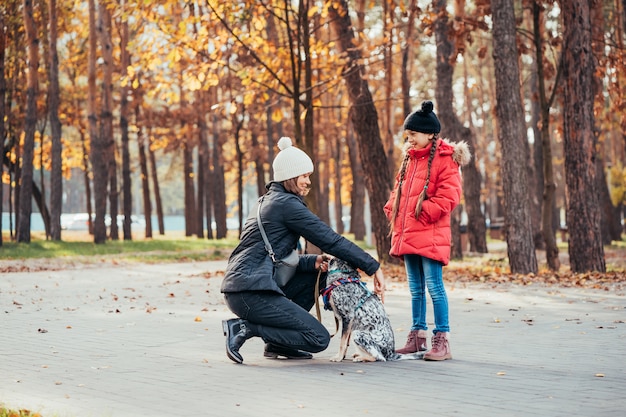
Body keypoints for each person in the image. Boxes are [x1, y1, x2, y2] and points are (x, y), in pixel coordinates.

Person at [221, 136, 386, 364]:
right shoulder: (286, 205)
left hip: (246, 288)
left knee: (317, 274)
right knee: (317, 338)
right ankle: (244, 328)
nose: (309, 181)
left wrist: (311, 262)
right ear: (290, 176)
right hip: (251, 293)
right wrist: (372, 265)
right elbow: (330, 239)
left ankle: (278, 344)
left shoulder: (267, 200)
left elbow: (271, 253)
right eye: (305, 176)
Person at [384, 100, 470, 361]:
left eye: (413, 135)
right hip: (408, 232)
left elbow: (450, 196)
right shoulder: (409, 160)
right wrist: (392, 209)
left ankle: (441, 339)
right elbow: (398, 190)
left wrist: (423, 212)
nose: (409, 139)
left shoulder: (445, 159)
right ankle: (417, 335)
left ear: (430, 134)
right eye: (407, 135)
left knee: (434, 285)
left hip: (430, 233)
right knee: (415, 288)